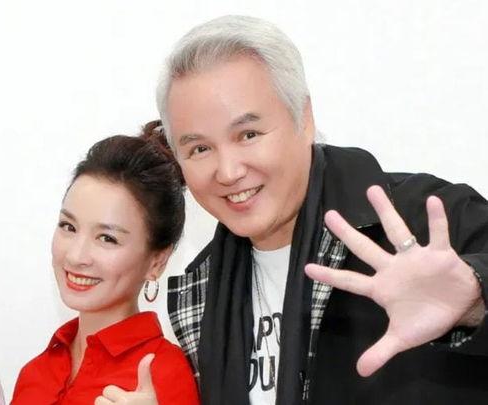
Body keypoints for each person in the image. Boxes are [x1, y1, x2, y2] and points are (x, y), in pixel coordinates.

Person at [104, 15, 488, 405]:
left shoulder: (422, 221)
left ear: (303, 119)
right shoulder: (201, 288)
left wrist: (475, 300)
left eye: (248, 134)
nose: (228, 171)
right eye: (200, 148)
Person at [11, 123, 199, 405]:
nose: (76, 256)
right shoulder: (35, 372)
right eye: (68, 226)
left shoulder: (163, 373)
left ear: (157, 261)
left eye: (107, 238)